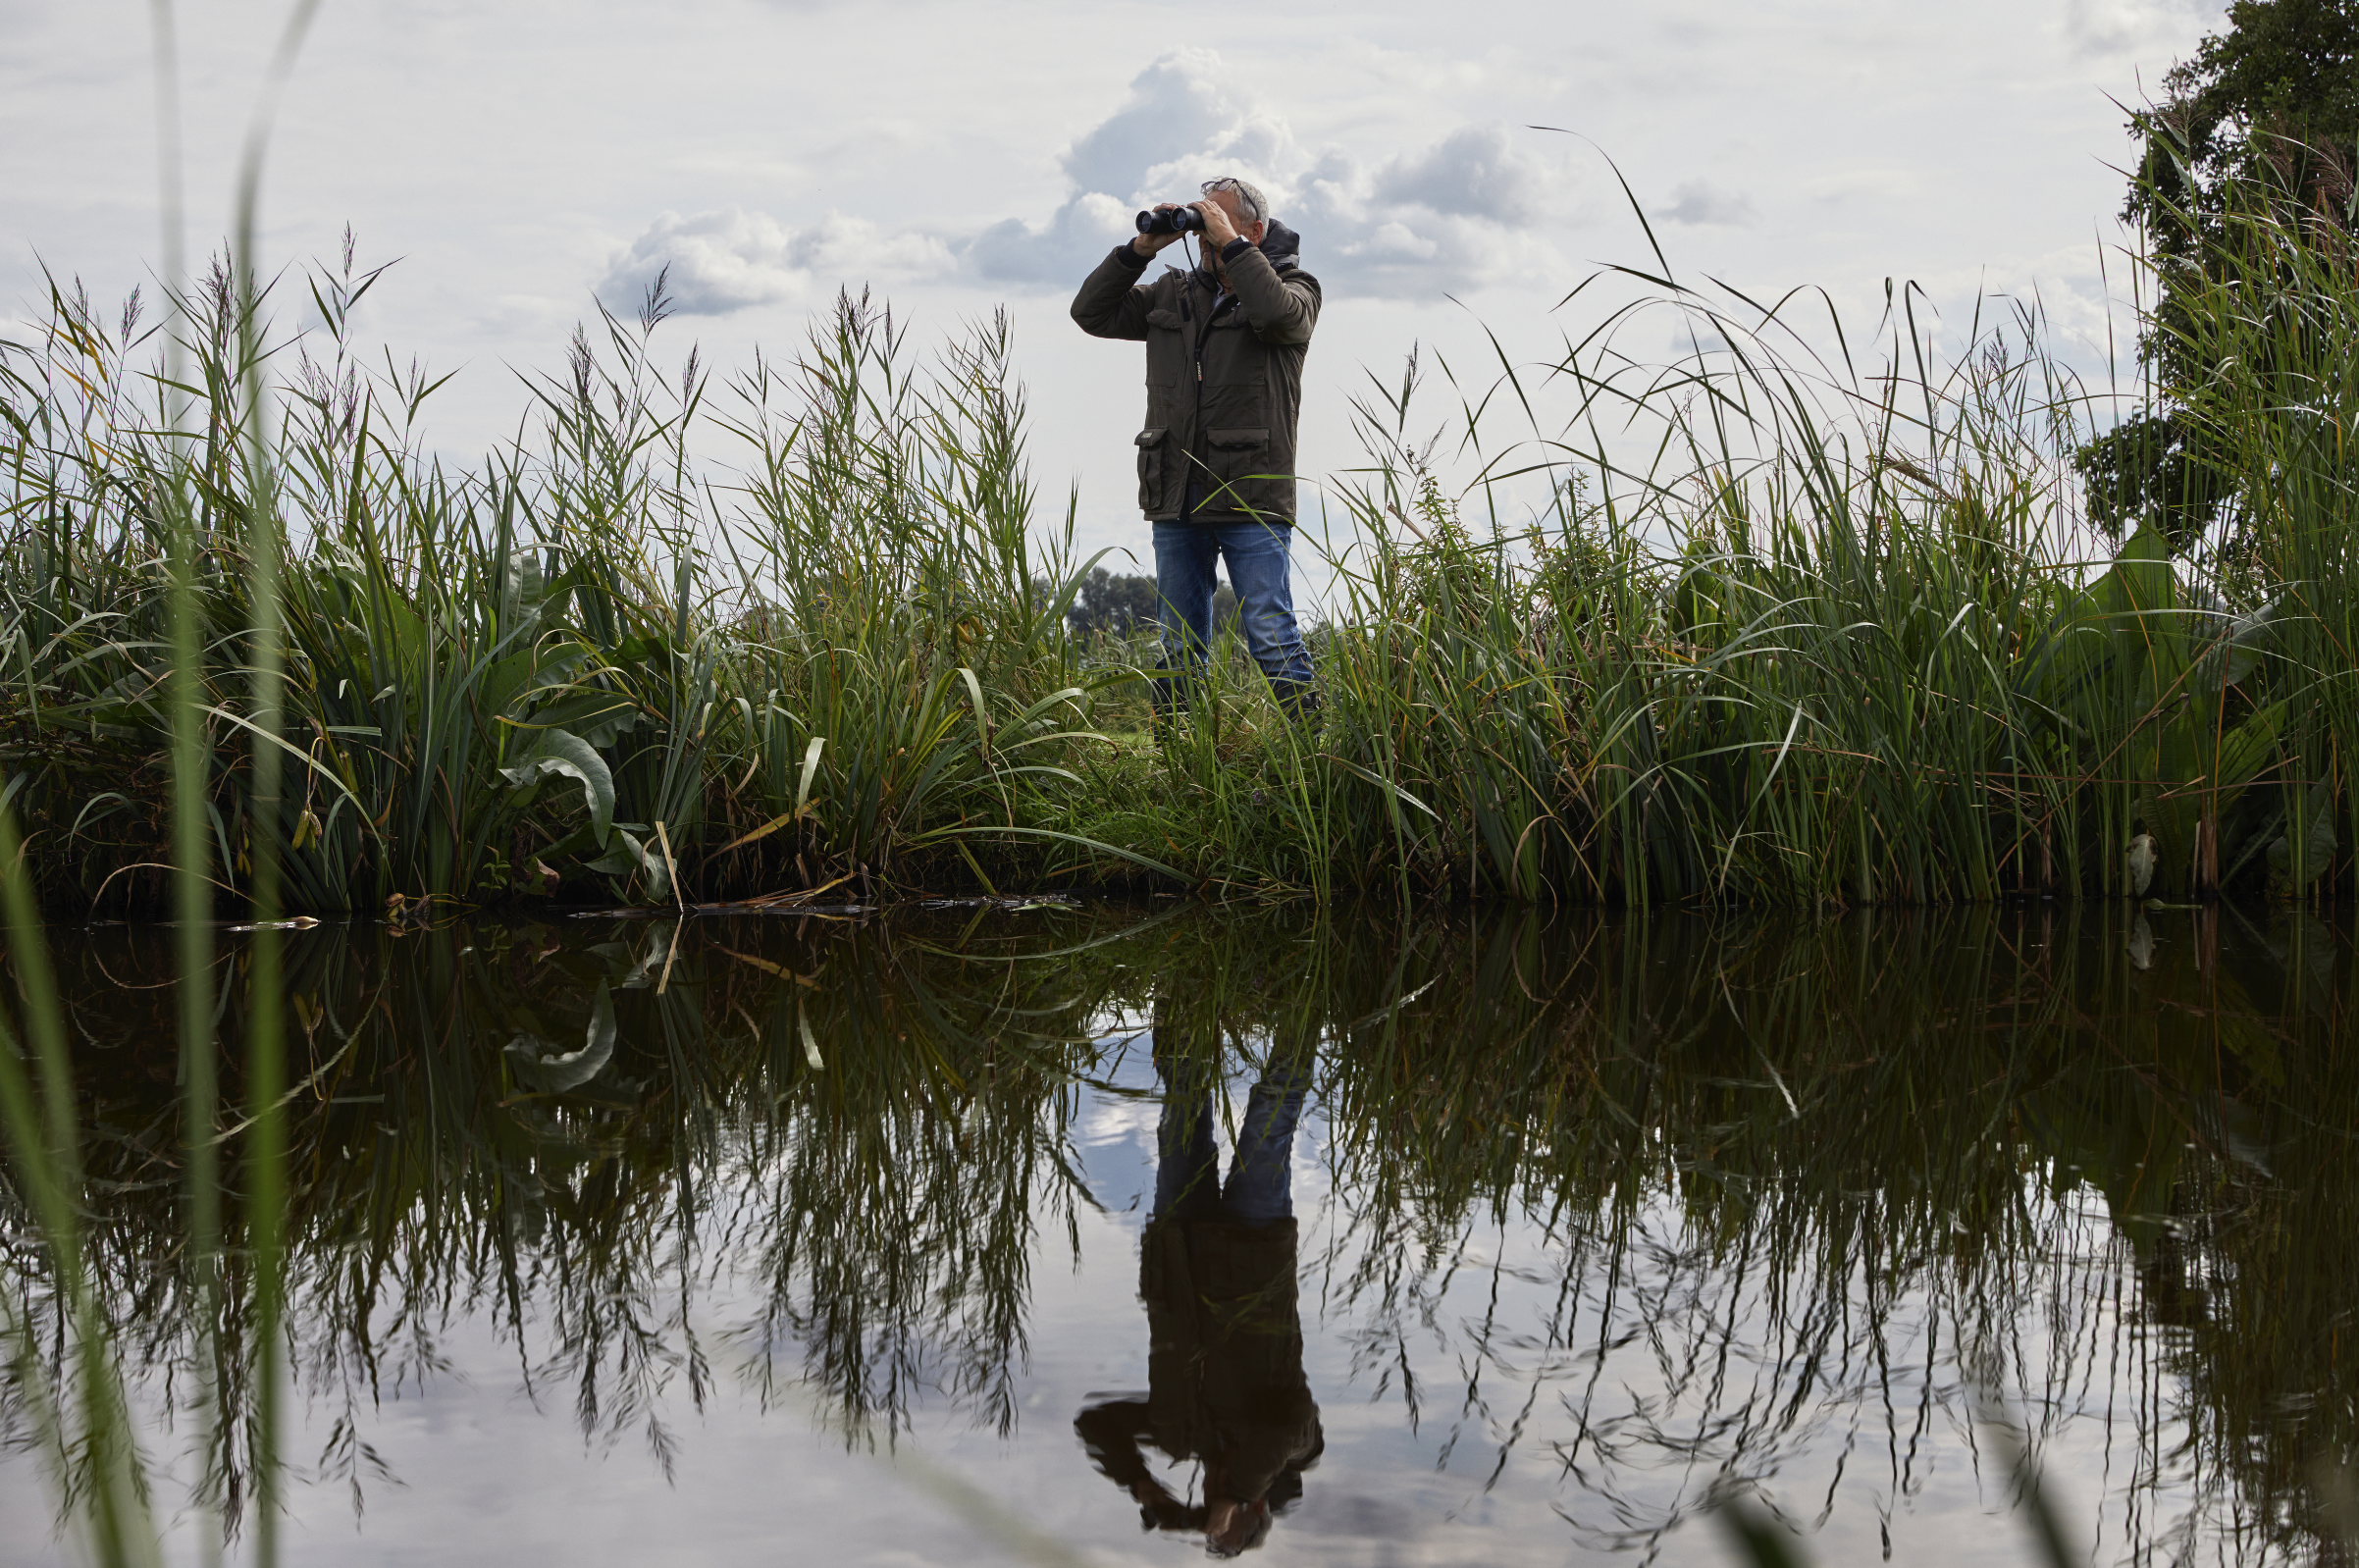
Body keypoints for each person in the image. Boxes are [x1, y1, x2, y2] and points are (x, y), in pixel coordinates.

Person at [1070, 176, 1323, 724]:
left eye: (1220, 224)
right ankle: (1184, 764)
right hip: (1175, 494)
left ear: (1255, 230)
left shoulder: (1295, 288)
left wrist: (1231, 243)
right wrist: (1139, 251)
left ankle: (1320, 751)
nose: (1207, 238)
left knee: (1271, 635)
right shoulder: (1173, 294)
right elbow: (1090, 312)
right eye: (1203, 227)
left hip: (1251, 496)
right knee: (1178, 647)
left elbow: (1278, 315)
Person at [1074, 1002, 1323, 1557]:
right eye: (1229, 1513)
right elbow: (1287, 1431)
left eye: (1210, 1506)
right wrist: (1236, 1495)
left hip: (1180, 1247)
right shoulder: (1294, 1448)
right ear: (1256, 1506)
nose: (1211, 1498)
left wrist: (1146, 1490)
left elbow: (1095, 1424)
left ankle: (1184, 980)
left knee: (1184, 1096)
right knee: (1272, 1110)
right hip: (1253, 1247)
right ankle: (1311, 984)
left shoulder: (1177, 1433)